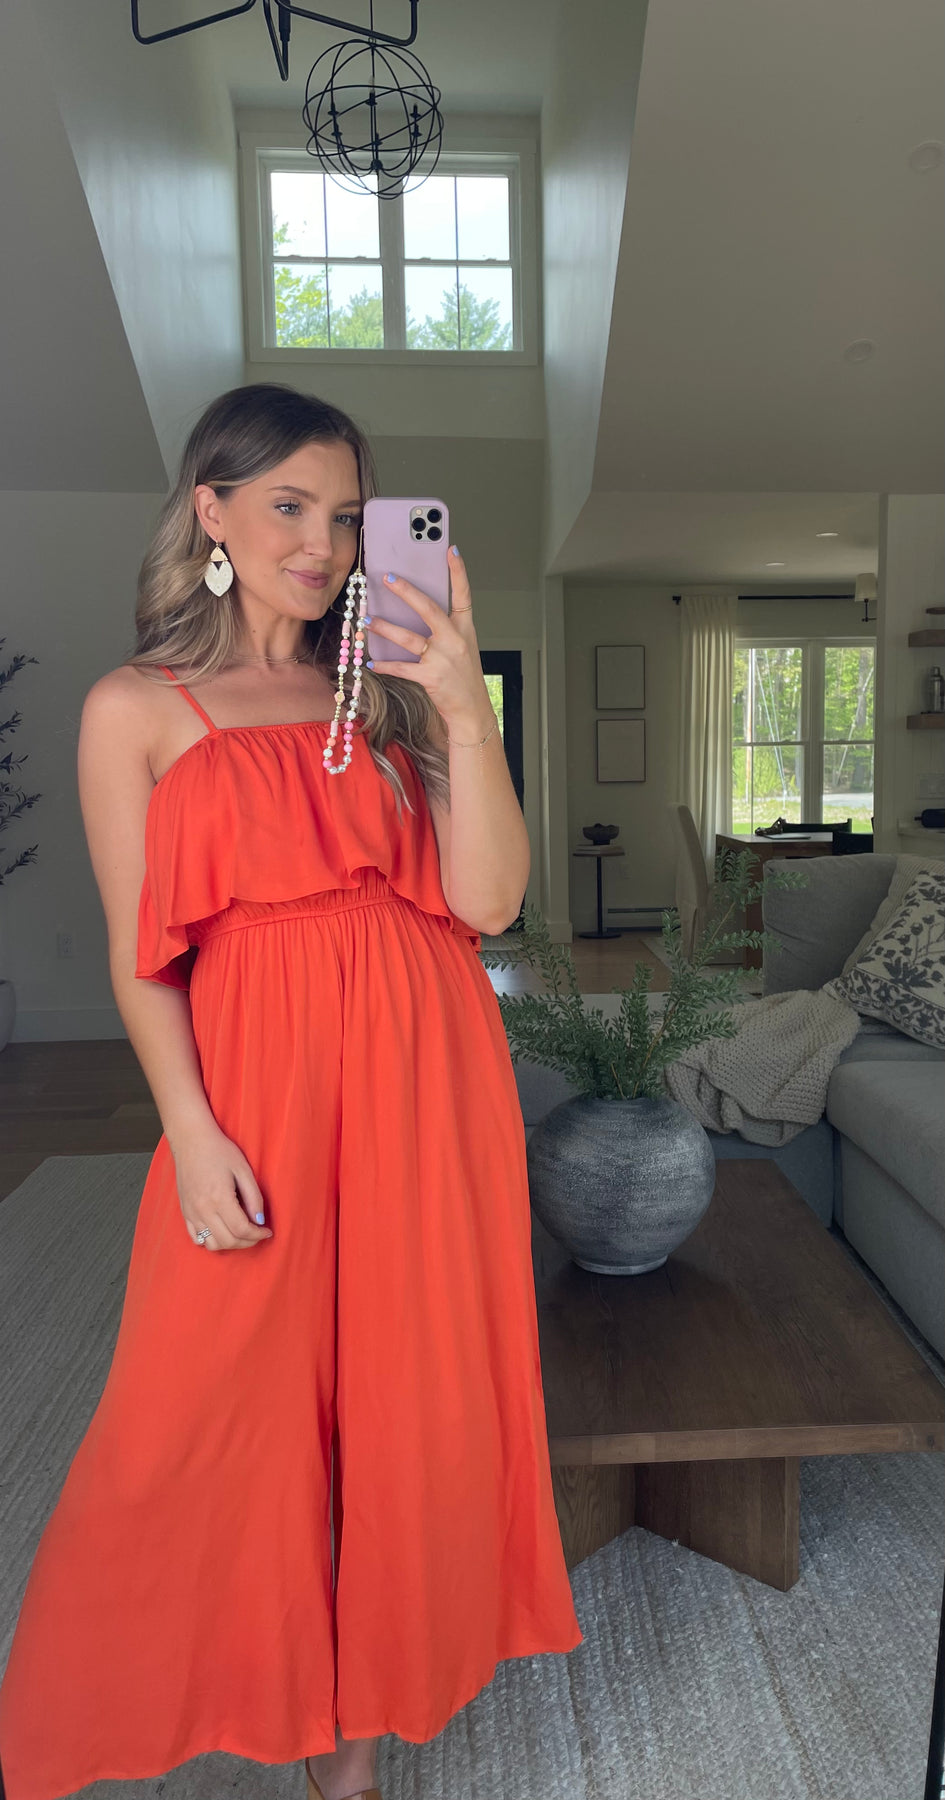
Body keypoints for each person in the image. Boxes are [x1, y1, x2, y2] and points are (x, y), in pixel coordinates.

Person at [0, 382, 584, 1800]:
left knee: (401, 1402)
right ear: (210, 510)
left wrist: (462, 703)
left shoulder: (388, 696)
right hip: (258, 1087)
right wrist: (190, 1131)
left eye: (345, 516)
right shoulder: (135, 708)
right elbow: (142, 957)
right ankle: (126, 1698)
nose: (319, 545)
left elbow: (490, 903)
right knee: (205, 1407)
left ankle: (350, 1761)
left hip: (429, 1079)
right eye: (287, 506)